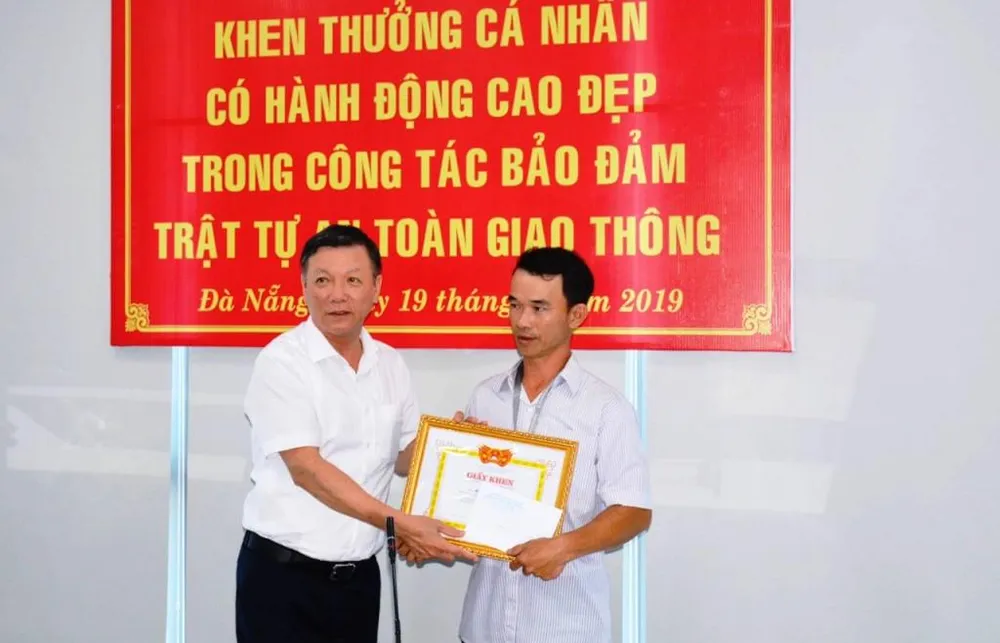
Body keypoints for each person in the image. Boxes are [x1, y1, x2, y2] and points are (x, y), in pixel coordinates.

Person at [234, 224, 475, 643]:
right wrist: (399, 523)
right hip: (283, 581)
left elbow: (404, 457)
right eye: (322, 281)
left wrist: (453, 447)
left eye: (352, 280)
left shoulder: (390, 364)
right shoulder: (282, 362)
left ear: (376, 288)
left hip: (359, 582)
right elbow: (307, 470)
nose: (337, 295)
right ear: (304, 287)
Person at [405, 246, 653, 643]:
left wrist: (563, 547)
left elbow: (634, 512)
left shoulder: (606, 408)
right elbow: (465, 503)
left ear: (576, 315)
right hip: (484, 626)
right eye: (514, 305)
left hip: (566, 629)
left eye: (539, 308)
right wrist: (427, 533)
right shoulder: (486, 396)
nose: (522, 321)